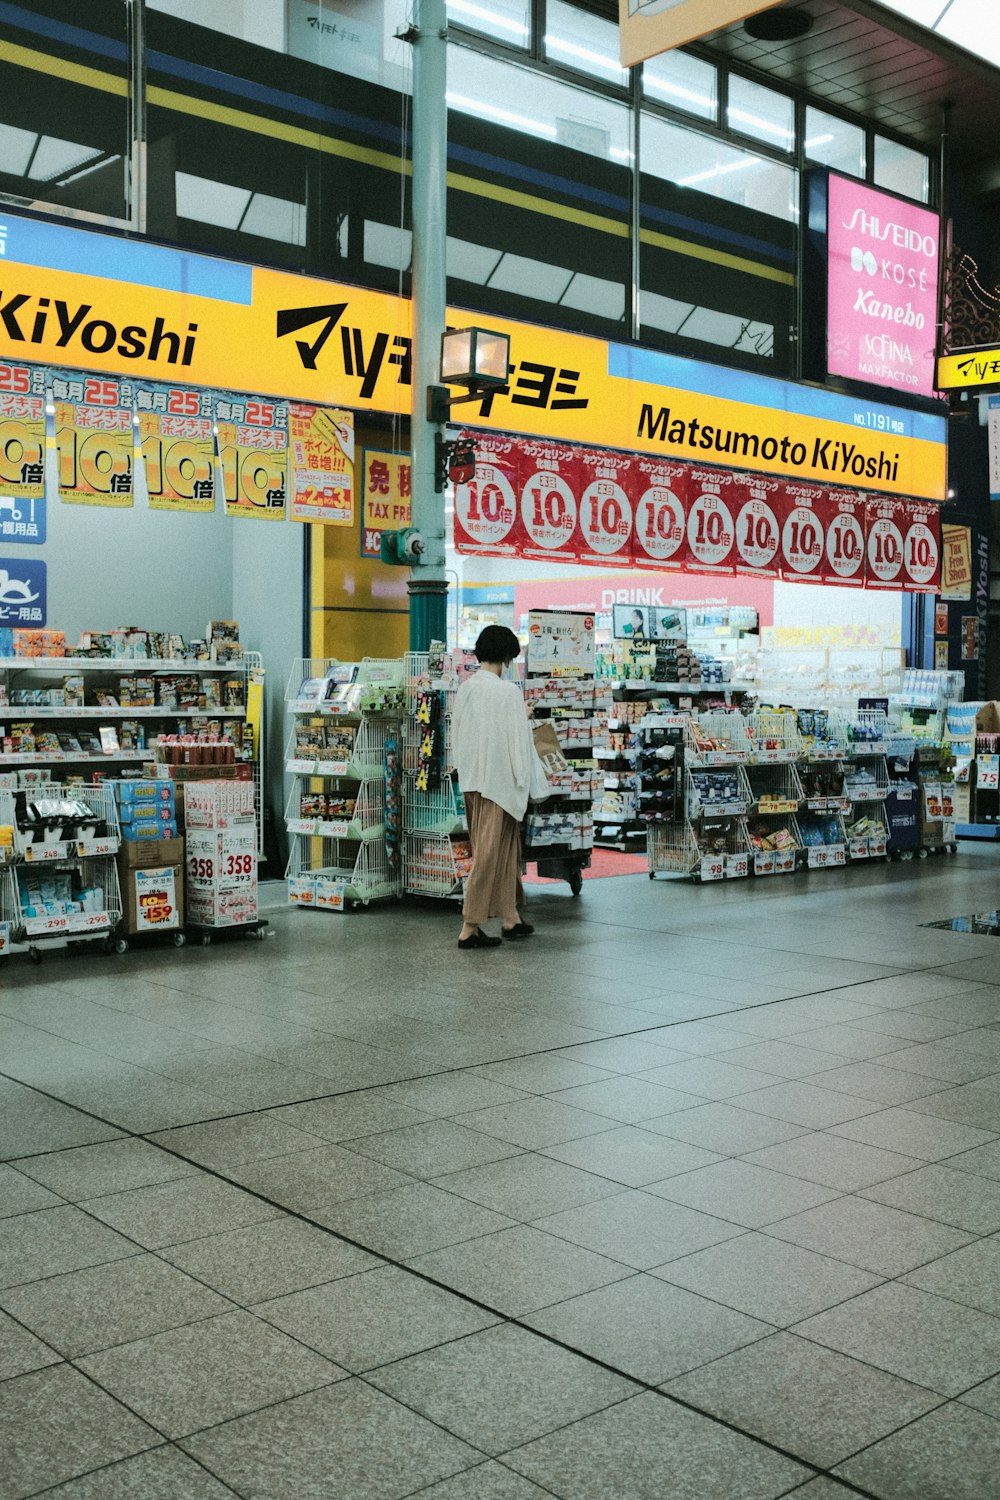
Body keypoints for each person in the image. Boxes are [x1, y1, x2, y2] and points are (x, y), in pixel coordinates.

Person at [451, 624, 536, 950]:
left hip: (473, 780)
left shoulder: (468, 689)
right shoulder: (508, 692)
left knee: (503, 850)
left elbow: (459, 734)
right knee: (490, 853)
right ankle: (469, 926)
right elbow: (516, 743)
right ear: (506, 655)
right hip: (500, 783)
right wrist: (523, 780)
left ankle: (510, 916)